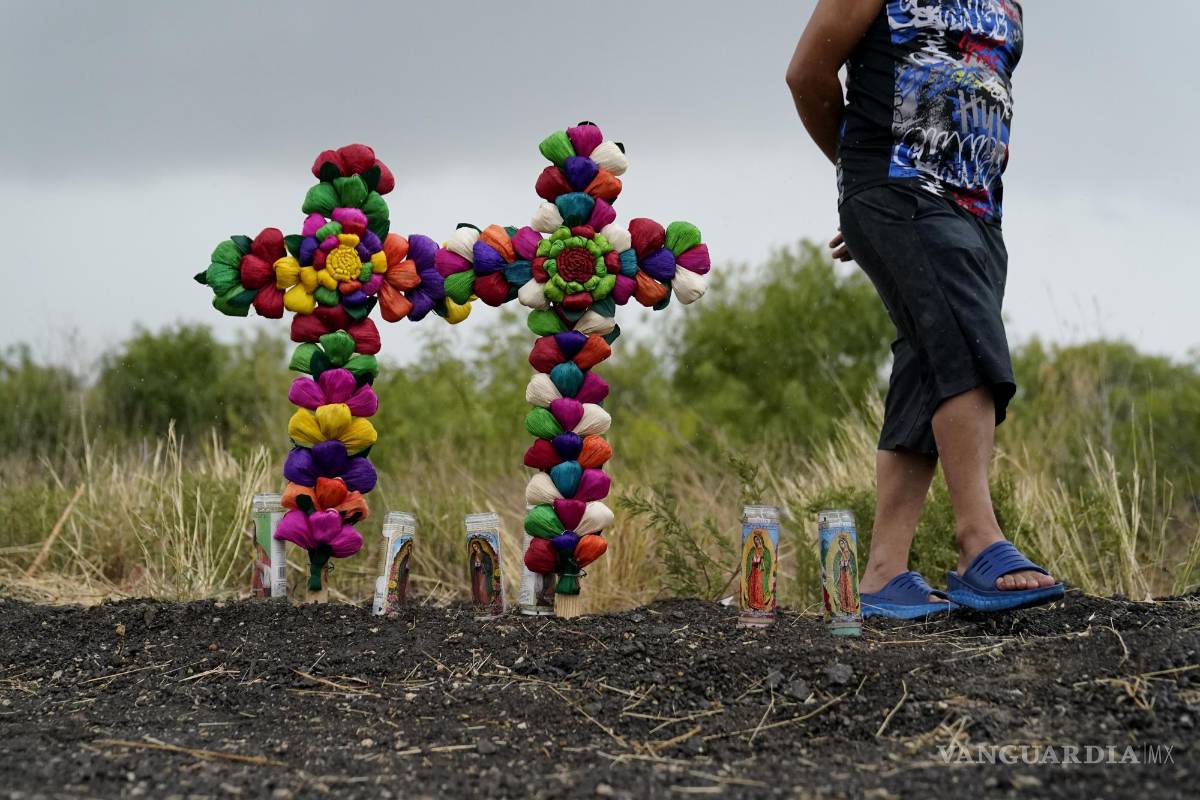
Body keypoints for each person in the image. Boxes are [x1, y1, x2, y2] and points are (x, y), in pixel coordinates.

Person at [785, 0, 1063, 617]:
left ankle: (883, 571)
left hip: (979, 208)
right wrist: (868, 176)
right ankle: (978, 543)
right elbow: (806, 74)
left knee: (929, 356)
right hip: (899, 188)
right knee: (965, 340)